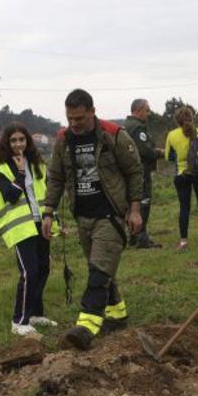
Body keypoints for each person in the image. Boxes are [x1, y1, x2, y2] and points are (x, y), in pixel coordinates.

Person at [41, 89, 144, 350]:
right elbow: (55, 177)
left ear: (92, 112)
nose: (74, 124)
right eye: (69, 118)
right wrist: (48, 211)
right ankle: (118, 314)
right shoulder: (63, 140)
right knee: (101, 267)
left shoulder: (114, 135)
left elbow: (134, 172)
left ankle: (87, 324)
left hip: (110, 214)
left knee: (99, 269)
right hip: (82, 216)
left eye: (79, 118)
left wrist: (134, 210)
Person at [0, 122, 59, 338]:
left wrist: (55, 221)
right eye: (13, 140)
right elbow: (11, 195)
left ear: (27, 141)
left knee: (43, 268)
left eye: (22, 139)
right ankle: (19, 321)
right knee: (29, 272)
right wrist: (19, 172)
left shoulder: (38, 164)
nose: (18, 144)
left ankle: (36, 314)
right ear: (6, 143)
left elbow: (47, 195)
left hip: (40, 223)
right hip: (21, 227)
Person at [164, 106, 198, 251]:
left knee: (184, 208)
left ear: (176, 121)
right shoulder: (197, 132)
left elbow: (168, 156)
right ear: (191, 118)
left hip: (182, 174)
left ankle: (184, 241)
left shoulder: (171, 135)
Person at [123, 98, 162, 248]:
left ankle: (132, 236)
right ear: (138, 110)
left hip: (129, 170)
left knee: (132, 203)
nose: (149, 113)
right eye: (147, 110)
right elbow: (145, 150)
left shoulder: (127, 126)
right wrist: (159, 152)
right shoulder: (137, 128)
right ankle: (141, 237)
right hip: (140, 171)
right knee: (143, 202)